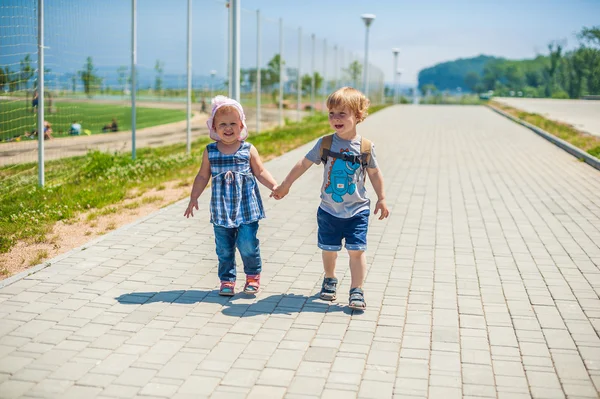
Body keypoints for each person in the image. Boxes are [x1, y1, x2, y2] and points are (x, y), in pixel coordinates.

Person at [271, 87, 390, 310]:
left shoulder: (365, 147)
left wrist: (382, 198)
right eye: (331, 113)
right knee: (329, 249)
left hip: (357, 210)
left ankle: (357, 290)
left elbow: (374, 173)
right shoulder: (325, 143)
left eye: (342, 114)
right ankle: (330, 278)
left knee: (357, 250)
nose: (335, 118)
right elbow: (303, 163)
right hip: (329, 210)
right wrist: (286, 185)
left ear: (358, 116)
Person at [184, 95, 278, 296]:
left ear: (241, 125)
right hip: (221, 210)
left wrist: (274, 186)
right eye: (223, 124)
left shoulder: (248, 149)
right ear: (214, 128)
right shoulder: (210, 151)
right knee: (224, 248)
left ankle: (252, 276)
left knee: (247, 244)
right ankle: (227, 280)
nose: (228, 128)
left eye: (233, 123)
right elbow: (202, 176)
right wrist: (193, 197)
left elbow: (260, 172)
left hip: (247, 208)